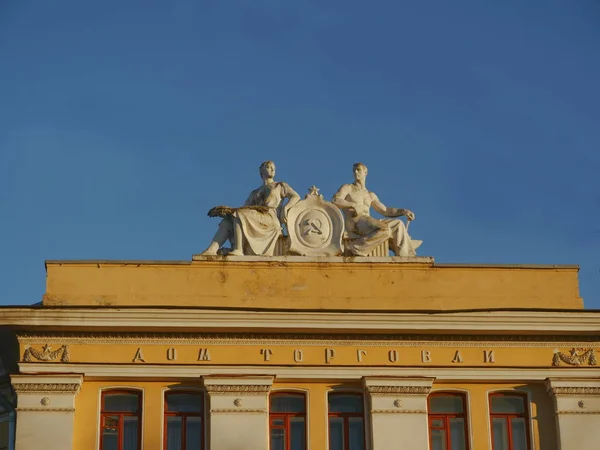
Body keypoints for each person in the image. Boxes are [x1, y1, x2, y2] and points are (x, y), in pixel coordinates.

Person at [200, 161, 300, 256]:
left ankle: (238, 249)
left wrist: (286, 208)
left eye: (274, 168)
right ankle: (212, 249)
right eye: (268, 167)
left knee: (239, 214)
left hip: (270, 218)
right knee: (228, 220)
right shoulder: (255, 193)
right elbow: (243, 209)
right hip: (256, 218)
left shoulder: (279, 186)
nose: (272, 170)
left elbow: (295, 196)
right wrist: (227, 211)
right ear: (261, 172)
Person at [332, 162, 418, 257]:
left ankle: (405, 257)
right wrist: (352, 205)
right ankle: (356, 247)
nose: (355, 172)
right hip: (355, 222)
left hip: (367, 222)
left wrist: (403, 211)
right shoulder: (348, 188)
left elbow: (385, 210)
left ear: (365, 172)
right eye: (354, 170)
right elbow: (336, 200)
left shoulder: (370, 194)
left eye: (358, 169)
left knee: (398, 224)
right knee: (385, 229)